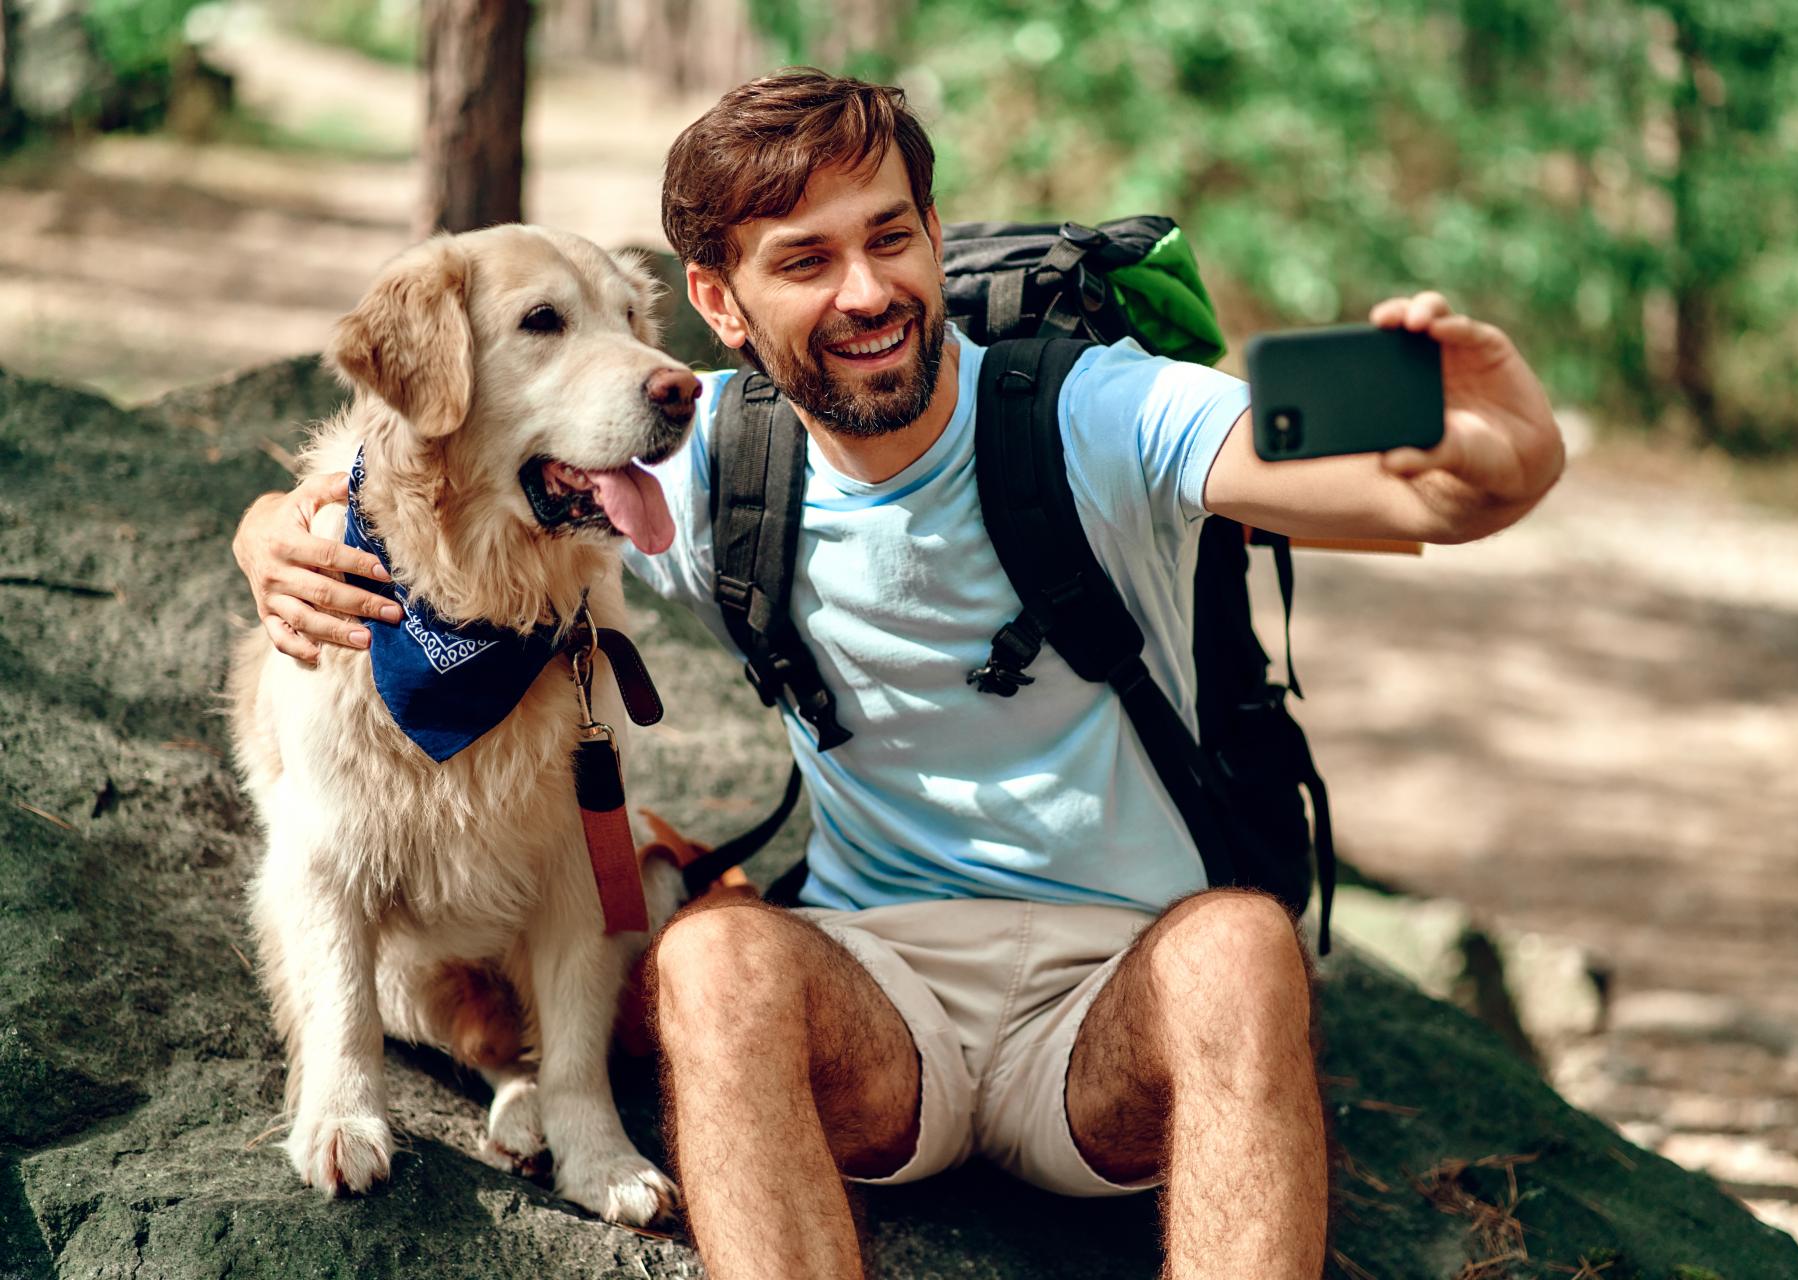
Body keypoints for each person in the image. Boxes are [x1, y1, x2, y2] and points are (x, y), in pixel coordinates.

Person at [232, 69, 1564, 1280]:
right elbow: (425, 479)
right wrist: (265, 536)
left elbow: (1422, 501)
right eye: (804, 261)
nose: (865, 292)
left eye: (890, 238)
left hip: (1116, 1008)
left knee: (1241, 947)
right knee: (713, 964)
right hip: (881, 1012)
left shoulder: (1100, 412)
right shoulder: (695, 471)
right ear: (721, 305)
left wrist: (1508, 452)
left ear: (933, 237)